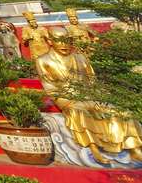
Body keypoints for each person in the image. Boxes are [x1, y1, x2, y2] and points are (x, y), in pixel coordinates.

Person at [36, 26, 142, 163]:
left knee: (121, 112)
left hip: (90, 95)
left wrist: (98, 93)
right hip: (68, 99)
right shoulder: (43, 60)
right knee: (82, 112)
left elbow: (92, 79)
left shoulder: (80, 58)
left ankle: (134, 149)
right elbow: (49, 87)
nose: (64, 44)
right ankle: (95, 150)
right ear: (49, 41)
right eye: (59, 41)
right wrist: (68, 98)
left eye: (67, 40)